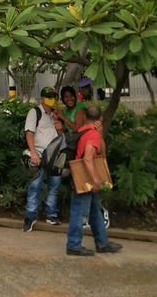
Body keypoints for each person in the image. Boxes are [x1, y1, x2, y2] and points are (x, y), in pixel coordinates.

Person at [66, 105, 122, 256]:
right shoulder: (92, 135)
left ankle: (102, 243)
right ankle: (73, 245)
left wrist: (100, 133)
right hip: (85, 178)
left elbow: (101, 152)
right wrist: (96, 180)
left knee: (95, 210)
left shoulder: (83, 131)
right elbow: (88, 158)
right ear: (101, 118)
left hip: (79, 175)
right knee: (79, 211)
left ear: (85, 117)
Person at [22, 86, 62, 231]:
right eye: (49, 97)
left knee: (54, 185)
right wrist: (33, 153)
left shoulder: (55, 114)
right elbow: (29, 133)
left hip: (55, 154)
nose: (52, 100)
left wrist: (58, 120)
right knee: (35, 186)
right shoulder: (35, 112)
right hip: (39, 152)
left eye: (53, 97)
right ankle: (30, 216)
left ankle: (51, 213)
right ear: (42, 99)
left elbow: (61, 134)